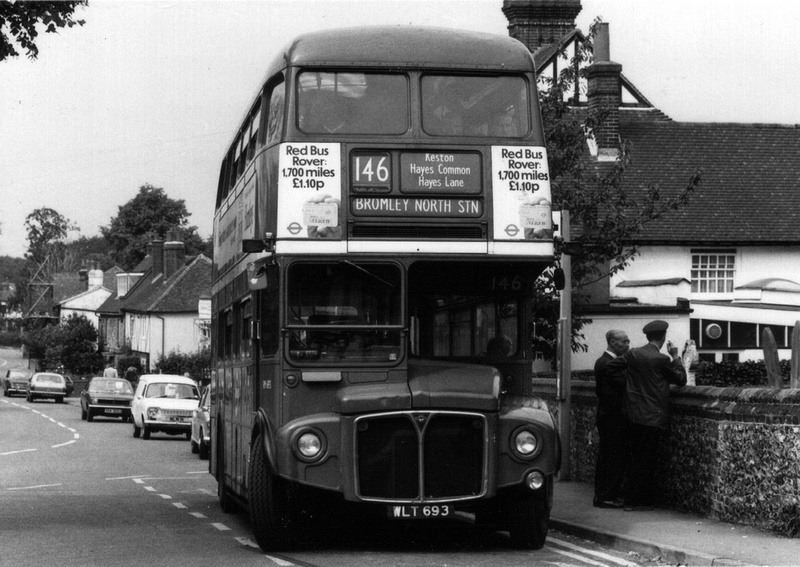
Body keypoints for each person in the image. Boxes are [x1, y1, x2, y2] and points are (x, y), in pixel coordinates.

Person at [607, 320, 687, 511]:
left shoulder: (633, 354)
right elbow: (681, 380)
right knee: (646, 459)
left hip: (633, 413)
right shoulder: (662, 359)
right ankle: (636, 501)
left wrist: (630, 387)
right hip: (652, 415)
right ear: (663, 337)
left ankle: (631, 498)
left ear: (647, 337)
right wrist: (676, 356)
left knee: (635, 458)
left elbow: (609, 368)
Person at [593, 329, 630, 508]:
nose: (627, 345)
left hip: (607, 416)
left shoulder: (604, 361)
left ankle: (603, 495)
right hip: (613, 417)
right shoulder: (608, 363)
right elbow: (622, 386)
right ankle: (607, 496)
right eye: (624, 342)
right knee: (613, 457)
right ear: (612, 342)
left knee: (607, 456)